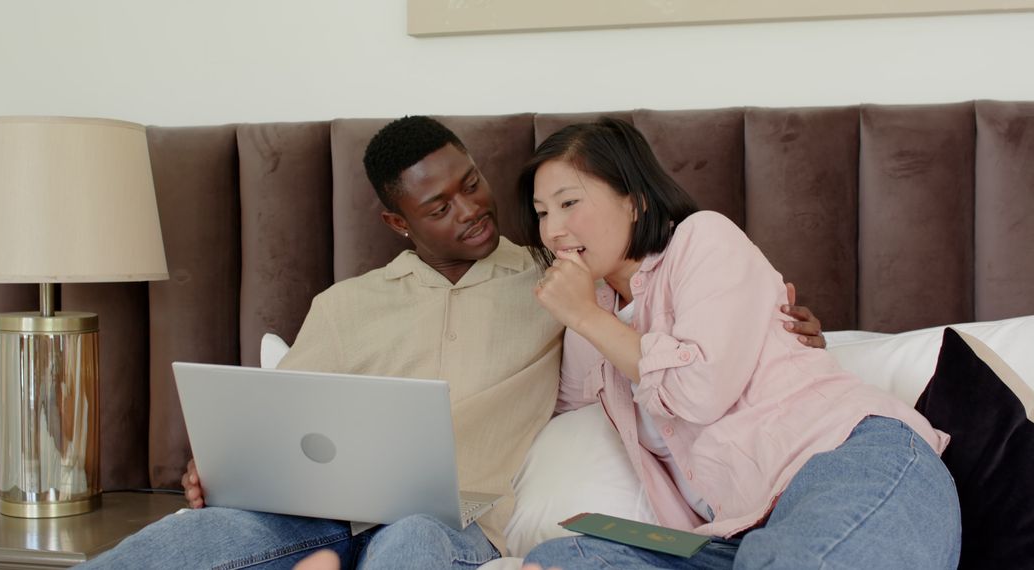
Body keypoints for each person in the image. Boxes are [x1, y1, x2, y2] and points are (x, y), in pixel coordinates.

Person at [80, 116, 826, 570]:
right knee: (181, 546)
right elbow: (277, 424)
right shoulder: (344, 308)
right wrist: (223, 470)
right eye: (439, 206)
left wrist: (782, 327)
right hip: (311, 513)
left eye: (472, 183)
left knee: (409, 544)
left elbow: (673, 322)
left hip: (456, 523)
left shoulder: (559, 281)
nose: (472, 210)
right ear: (397, 224)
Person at [515, 118, 962, 570]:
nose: (552, 231)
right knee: (563, 558)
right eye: (542, 212)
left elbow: (698, 392)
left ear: (635, 202)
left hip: (844, 462)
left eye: (568, 203)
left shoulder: (702, 238)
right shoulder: (589, 324)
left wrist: (586, 316)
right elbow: (559, 412)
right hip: (733, 535)